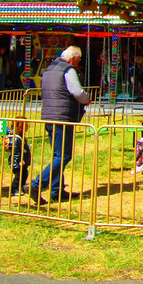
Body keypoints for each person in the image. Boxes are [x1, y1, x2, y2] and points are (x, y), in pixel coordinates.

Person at [25, 45, 91, 203]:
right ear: (73, 58)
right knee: (64, 155)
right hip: (62, 117)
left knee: (57, 155)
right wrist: (87, 99)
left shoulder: (49, 70)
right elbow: (77, 92)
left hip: (49, 116)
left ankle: (56, 190)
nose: (79, 62)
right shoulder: (68, 70)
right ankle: (36, 184)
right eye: (79, 59)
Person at [4, 118, 31, 197]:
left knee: (24, 174)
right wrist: (20, 160)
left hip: (22, 160)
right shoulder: (16, 138)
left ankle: (22, 187)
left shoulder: (21, 136)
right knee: (18, 176)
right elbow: (16, 151)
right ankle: (14, 189)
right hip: (17, 161)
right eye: (26, 125)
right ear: (21, 126)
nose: (28, 126)